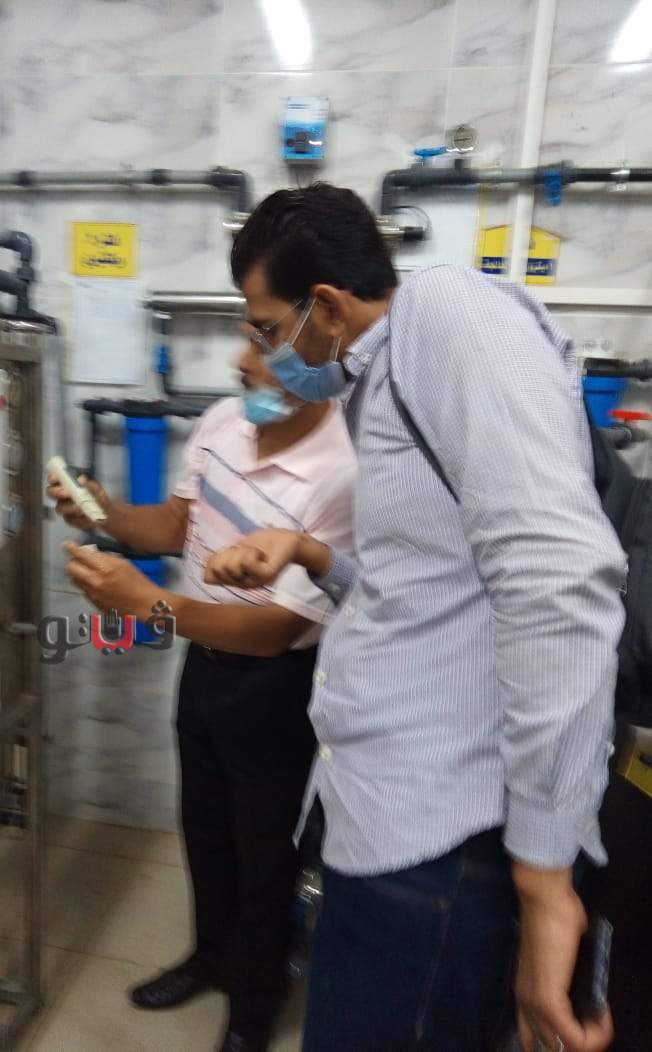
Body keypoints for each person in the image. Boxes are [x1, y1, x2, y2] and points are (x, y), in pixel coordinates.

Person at [205, 184, 626, 1052]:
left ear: (328, 307)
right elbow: (435, 596)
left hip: (440, 845)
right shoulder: (380, 383)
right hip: (391, 820)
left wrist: (545, 880)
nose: (264, 355)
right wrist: (314, 556)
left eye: (269, 329)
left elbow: (557, 576)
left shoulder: (445, 313)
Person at [47, 341, 355, 1052]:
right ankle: (210, 957)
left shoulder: (343, 469)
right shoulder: (224, 421)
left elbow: (276, 632)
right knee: (206, 830)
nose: (242, 361)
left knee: (266, 853)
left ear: (321, 356)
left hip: (277, 685)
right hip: (206, 667)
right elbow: (173, 525)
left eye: (265, 342)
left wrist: (149, 606)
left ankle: (254, 1004)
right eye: (247, 335)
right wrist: (103, 512)